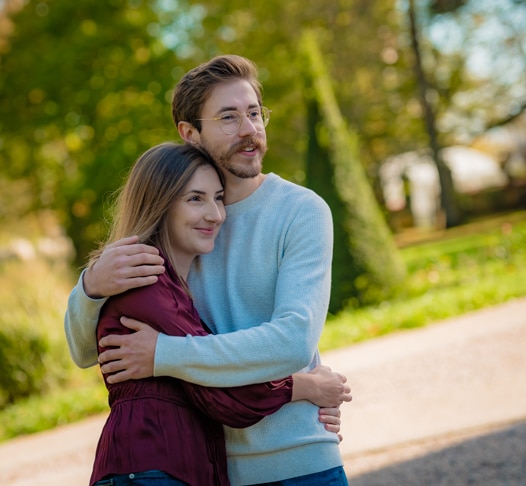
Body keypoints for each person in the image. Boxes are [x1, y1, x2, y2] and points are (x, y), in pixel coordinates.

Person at [65, 55, 351, 485]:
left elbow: (293, 340)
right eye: (229, 118)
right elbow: (86, 352)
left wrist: (164, 355)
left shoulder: (301, 210)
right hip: (213, 468)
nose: (250, 129)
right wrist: (88, 290)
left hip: (301, 459)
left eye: (254, 113)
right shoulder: (176, 227)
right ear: (190, 133)